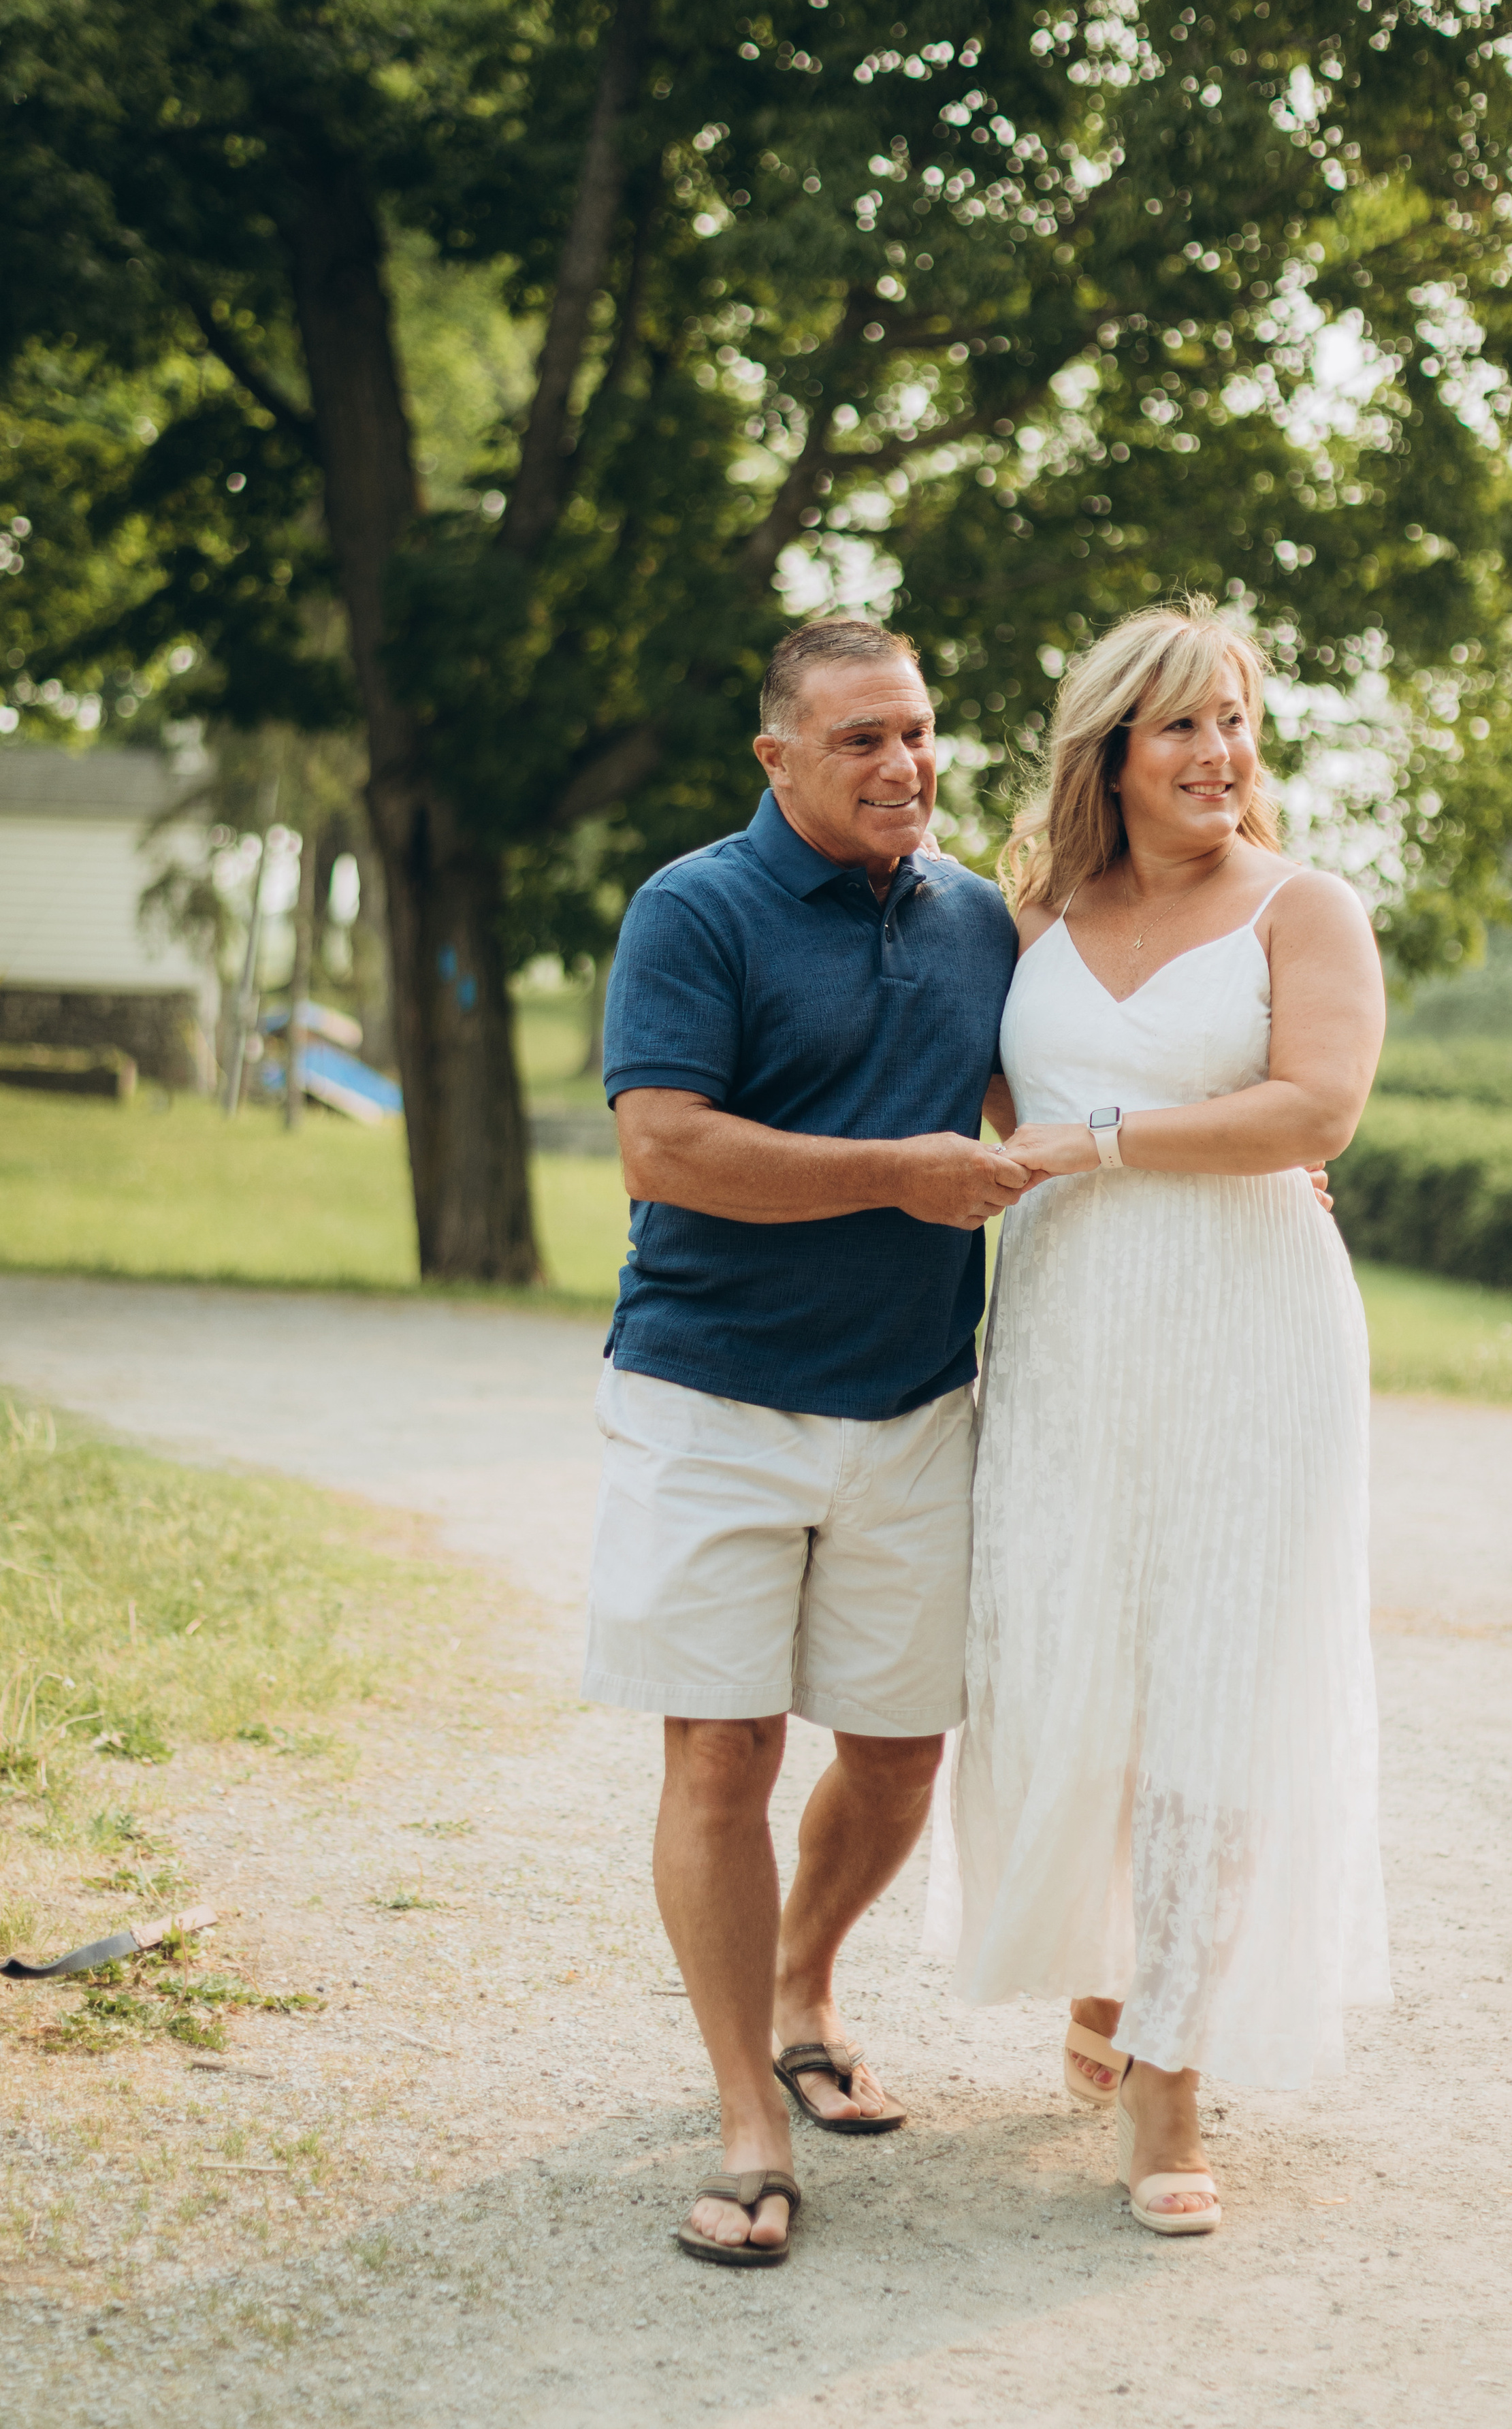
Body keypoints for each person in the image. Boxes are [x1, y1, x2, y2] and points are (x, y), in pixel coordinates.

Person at [937, 598, 1392, 2238]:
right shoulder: (1031, 915)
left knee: (1214, 1684)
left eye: (1238, 722)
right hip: (1068, 1333)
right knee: (1072, 1671)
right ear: (1109, 751)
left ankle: (1175, 2072)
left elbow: (1311, 1107)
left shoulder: (1302, 906)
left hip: (1248, 1332)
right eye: (1183, 725)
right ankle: (1106, 1980)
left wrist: (1103, 1142)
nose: (1220, 754)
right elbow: (986, 1100)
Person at [581, 617, 1026, 2266]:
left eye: (918, 732)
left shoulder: (984, 917)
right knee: (722, 1753)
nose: (904, 765)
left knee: (905, 1746)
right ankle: (747, 2119)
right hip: (711, 1397)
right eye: (860, 740)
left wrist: (1257, 1164)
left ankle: (804, 1983)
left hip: (916, 1403)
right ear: (775, 759)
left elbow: (1056, 1089)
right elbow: (663, 1149)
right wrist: (894, 1171)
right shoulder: (691, 909)